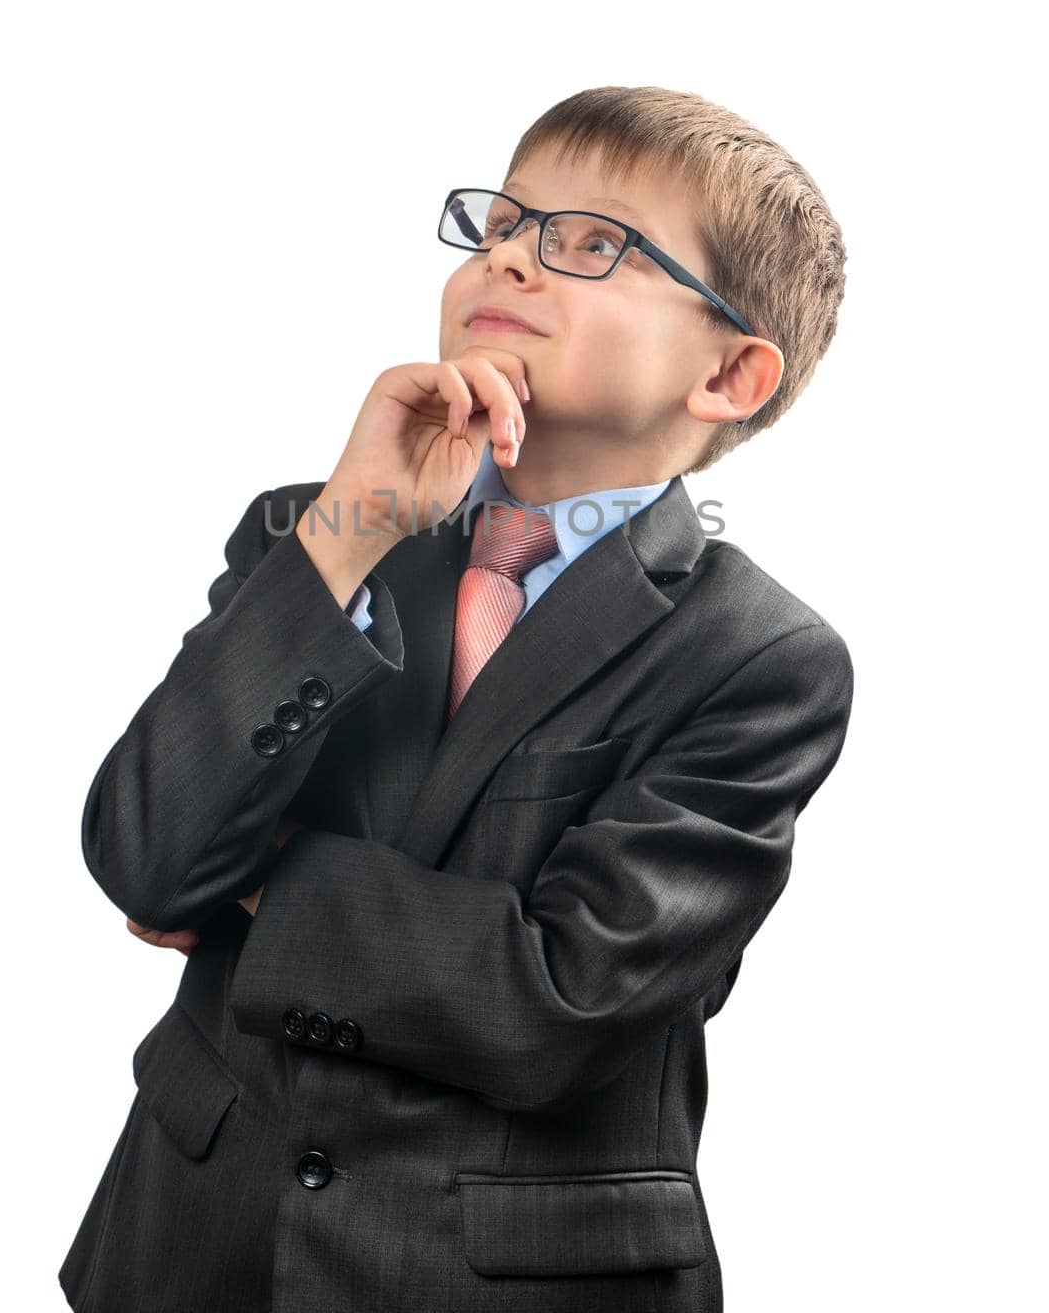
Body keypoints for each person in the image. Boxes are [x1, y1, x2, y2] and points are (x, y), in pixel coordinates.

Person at [58, 84, 854, 1313]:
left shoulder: (758, 657)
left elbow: (556, 997)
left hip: (516, 1280)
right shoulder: (312, 534)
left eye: (595, 244)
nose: (516, 259)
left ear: (732, 374)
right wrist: (348, 529)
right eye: (503, 222)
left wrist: (258, 880)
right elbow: (145, 853)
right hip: (193, 1247)